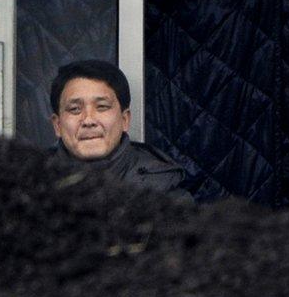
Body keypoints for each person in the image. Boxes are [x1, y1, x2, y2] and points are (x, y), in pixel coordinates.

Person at [48, 60, 190, 198]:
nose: (88, 120)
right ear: (57, 125)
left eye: (102, 107)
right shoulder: (31, 189)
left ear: (125, 120)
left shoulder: (165, 193)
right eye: (75, 109)